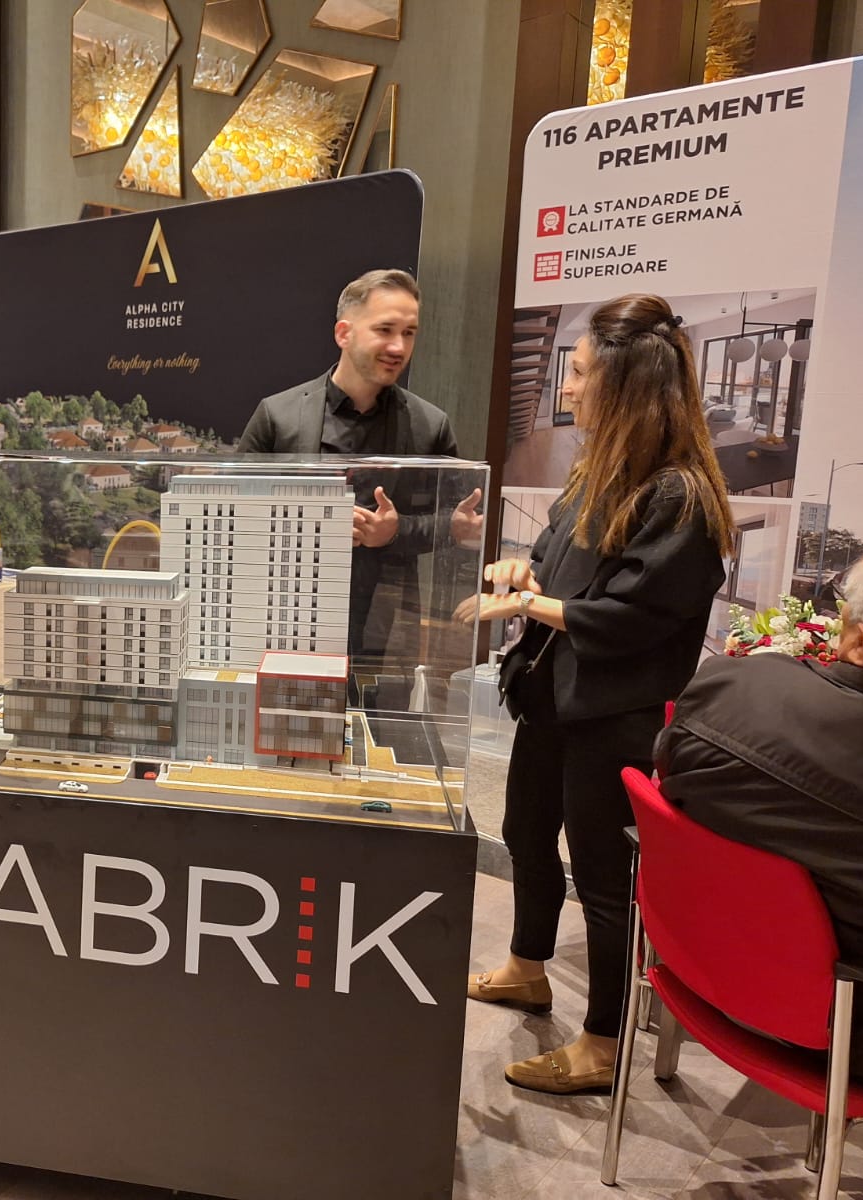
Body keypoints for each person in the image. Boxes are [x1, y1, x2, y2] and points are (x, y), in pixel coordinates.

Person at [458, 293, 734, 1096]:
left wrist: (529, 604)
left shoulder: (680, 496)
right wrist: (521, 569)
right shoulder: (598, 473)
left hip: (613, 717)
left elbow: (632, 616)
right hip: (553, 697)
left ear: (626, 384)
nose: (568, 388)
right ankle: (527, 965)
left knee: (605, 881)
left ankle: (602, 1043)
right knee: (525, 832)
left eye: (579, 374)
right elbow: (554, 558)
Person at [656, 539, 863, 1090]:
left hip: (699, 971)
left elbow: (666, 773)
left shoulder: (729, 688)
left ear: (858, 641)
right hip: (858, 1036)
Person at [235, 269, 482, 680]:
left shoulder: (430, 426)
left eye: (409, 333)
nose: (398, 346)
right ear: (343, 333)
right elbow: (232, 512)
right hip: (284, 614)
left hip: (385, 628)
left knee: (377, 719)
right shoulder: (277, 416)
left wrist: (396, 531)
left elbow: (458, 524)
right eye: (385, 329)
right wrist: (309, 524)